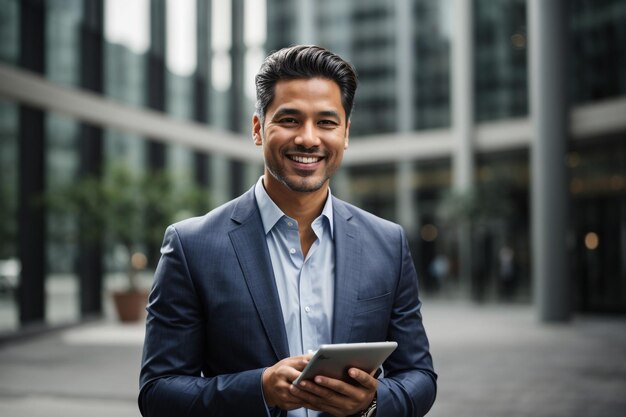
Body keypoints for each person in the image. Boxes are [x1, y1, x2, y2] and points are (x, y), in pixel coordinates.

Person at [139, 45, 437, 417]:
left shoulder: (387, 242)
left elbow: (419, 375)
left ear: (345, 133)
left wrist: (373, 402)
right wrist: (260, 389)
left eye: (326, 123)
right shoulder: (191, 246)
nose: (308, 139)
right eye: (290, 120)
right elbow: (158, 393)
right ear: (258, 129)